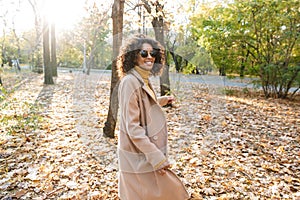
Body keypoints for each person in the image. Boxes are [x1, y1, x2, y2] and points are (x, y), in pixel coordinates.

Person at [117, 34, 189, 200]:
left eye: (153, 53)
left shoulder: (142, 79)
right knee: (165, 191)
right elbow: (132, 126)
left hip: (143, 150)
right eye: (144, 53)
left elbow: (142, 103)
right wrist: (155, 156)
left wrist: (161, 101)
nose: (149, 57)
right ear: (133, 56)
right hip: (136, 152)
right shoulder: (130, 81)